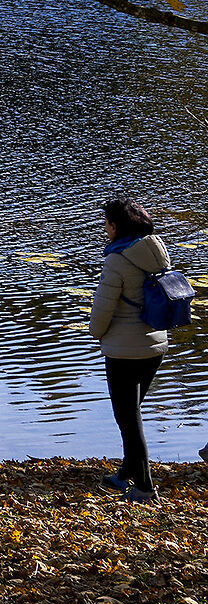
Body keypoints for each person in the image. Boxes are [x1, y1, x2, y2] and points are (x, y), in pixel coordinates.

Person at [93, 197, 173, 503]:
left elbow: (102, 309)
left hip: (124, 350)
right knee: (132, 412)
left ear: (115, 226)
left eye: (106, 223)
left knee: (127, 418)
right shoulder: (156, 250)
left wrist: (96, 334)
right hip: (155, 345)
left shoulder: (117, 259)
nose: (105, 228)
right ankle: (127, 471)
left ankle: (145, 487)